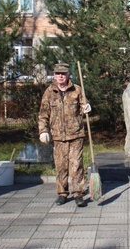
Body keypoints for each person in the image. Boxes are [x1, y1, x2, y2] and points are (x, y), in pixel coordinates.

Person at [38, 62, 91, 207]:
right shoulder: (49, 92)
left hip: (76, 134)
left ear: (68, 75)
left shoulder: (77, 90)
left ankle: (78, 193)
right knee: (61, 166)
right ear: (54, 75)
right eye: (57, 74)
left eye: (63, 74)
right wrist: (43, 131)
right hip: (57, 136)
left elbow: (83, 107)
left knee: (76, 165)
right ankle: (62, 193)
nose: (60, 76)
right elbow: (43, 114)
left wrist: (86, 107)